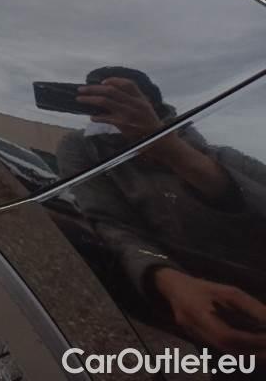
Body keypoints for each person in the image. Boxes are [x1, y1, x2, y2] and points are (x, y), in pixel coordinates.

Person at [56, 67, 266, 377]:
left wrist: (166, 147)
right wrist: (169, 281)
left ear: (153, 104)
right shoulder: (84, 150)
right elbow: (109, 223)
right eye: (96, 99)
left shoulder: (223, 156)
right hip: (208, 318)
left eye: (120, 98)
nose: (107, 109)